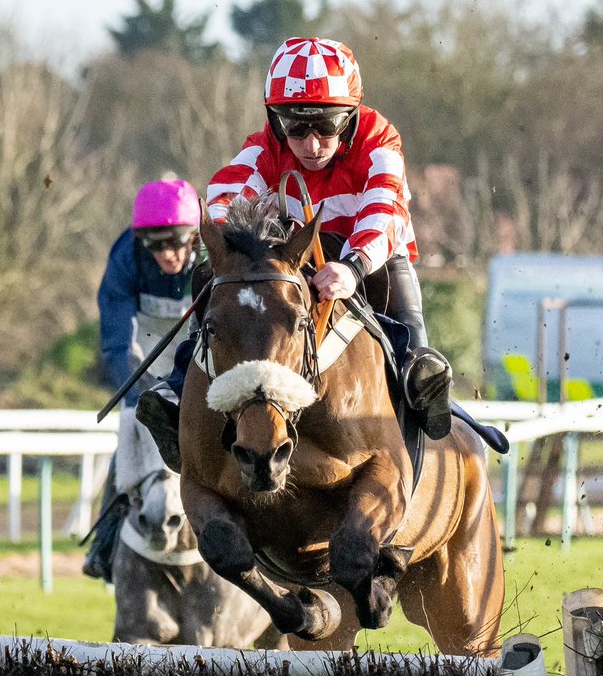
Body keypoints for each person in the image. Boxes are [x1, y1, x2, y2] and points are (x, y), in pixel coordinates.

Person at [136, 36, 453, 462]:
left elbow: (384, 210)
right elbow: (226, 193)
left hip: (372, 254)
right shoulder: (266, 145)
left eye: (326, 125)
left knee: (411, 342)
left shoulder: (380, 140)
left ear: (352, 115)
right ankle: (178, 390)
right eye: (296, 126)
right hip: (295, 257)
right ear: (275, 119)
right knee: (214, 282)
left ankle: (424, 395)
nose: (311, 143)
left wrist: (353, 268)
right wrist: (230, 246)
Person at [83, 178, 201, 580]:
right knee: (131, 442)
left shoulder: (211, 261)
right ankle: (105, 545)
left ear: (195, 236)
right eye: (156, 245)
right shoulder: (126, 259)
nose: (168, 255)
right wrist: (141, 396)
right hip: (144, 361)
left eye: (177, 242)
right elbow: (117, 346)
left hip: (200, 359)